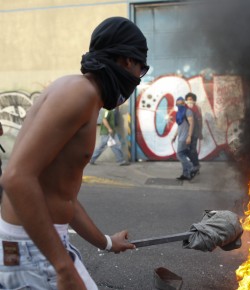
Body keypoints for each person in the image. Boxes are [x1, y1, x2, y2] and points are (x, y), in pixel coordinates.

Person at [0, 16, 149, 290]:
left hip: (38, 243)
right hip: (32, 249)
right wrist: (63, 267)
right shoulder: (80, 95)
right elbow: (16, 178)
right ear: (128, 61)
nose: (139, 78)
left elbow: (61, 197)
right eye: (142, 68)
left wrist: (106, 242)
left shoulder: (80, 91)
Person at [172, 97, 195, 180]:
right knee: (183, 155)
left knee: (179, 154)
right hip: (180, 137)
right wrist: (175, 136)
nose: (178, 105)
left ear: (184, 104)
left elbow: (192, 124)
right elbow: (179, 127)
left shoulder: (187, 111)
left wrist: (189, 136)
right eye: (177, 104)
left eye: (180, 104)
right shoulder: (179, 113)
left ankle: (192, 167)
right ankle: (186, 174)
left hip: (185, 137)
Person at [185, 93, 203, 175]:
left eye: (191, 99)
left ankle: (195, 166)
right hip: (186, 133)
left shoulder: (197, 108)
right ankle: (196, 165)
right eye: (188, 99)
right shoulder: (184, 108)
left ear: (194, 100)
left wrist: (200, 132)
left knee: (192, 150)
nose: (189, 101)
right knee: (187, 150)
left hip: (195, 132)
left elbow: (200, 121)